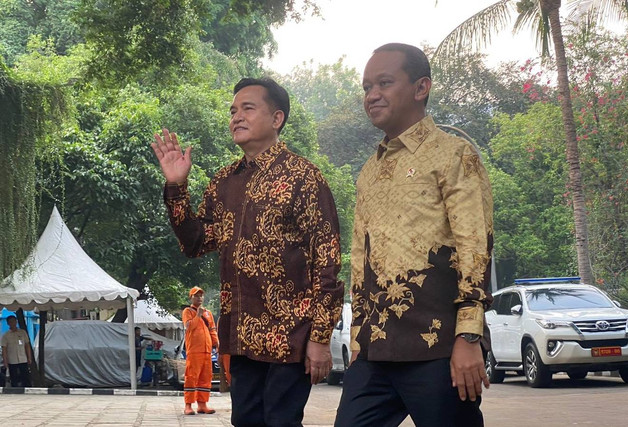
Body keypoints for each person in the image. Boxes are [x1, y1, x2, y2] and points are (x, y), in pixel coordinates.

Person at [151, 77, 344, 426]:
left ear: (277, 118)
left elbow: (327, 263)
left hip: (290, 335)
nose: (236, 117)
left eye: (248, 108)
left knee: (281, 422)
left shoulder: (304, 177)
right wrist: (177, 187)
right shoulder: (224, 182)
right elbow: (195, 243)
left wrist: (320, 337)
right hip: (240, 335)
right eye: (233, 110)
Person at [334, 43, 494, 427]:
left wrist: (469, 337)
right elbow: (360, 257)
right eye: (367, 86)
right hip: (375, 350)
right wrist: (358, 336)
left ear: (421, 87)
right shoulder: (368, 172)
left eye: (384, 83)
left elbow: (476, 244)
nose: (372, 95)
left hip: (438, 346)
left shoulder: (454, 154)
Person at [181, 286, 219, 415]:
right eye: (196, 295)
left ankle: (202, 404)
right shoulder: (188, 311)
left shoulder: (208, 313)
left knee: (206, 377)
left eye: (201, 295)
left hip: (207, 350)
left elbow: (212, 329)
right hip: (194, 350)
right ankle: (188, 405)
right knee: (191, 377)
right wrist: (198, 315)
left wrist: (216, 342)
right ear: (191, 297)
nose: (199, 298)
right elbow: (189, 327)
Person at [1, 315, 33, 387]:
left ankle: (27, 389)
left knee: (25, 376)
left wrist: (29, 357)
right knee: (14, 377)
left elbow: (27, 345)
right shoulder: (6, 335)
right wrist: (5, 361)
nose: (13, 323)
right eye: (10, 322)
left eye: (14, 321)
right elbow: (4, 349)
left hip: (23, 358)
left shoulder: (22, 333)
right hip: (12, 360)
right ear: (8, 323)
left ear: (16, 322)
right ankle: (15, 391)